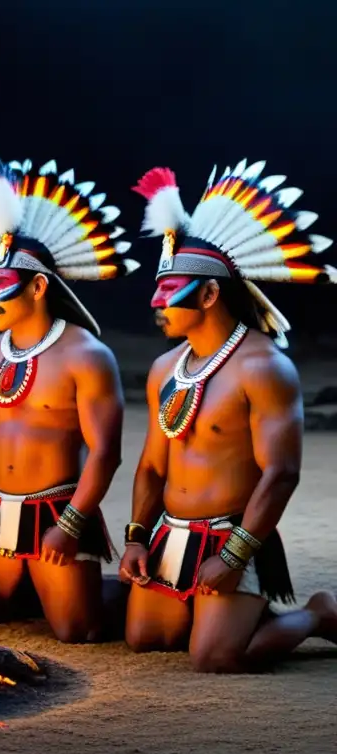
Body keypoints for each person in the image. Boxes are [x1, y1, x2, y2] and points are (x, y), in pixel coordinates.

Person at [123, 160, 337, 671]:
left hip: (235, 534)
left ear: (211, 293)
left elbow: (281, 472)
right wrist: (136, 537)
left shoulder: (264, 368)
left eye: (167, 289)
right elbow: (153, 467)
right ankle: (220, 612)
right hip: (171, 531)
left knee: (214, 658)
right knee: (145, 640)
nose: (156, 302)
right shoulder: (162, 368)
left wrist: (235, 556)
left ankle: (315, 614)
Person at [0, 154, 138, 642]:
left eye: (1, 285)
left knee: (78, 630)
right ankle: (38, 586)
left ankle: (133, 592)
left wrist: (71, 525)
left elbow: (106, 452)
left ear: (37, 286)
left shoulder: (86, 356)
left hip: (58, 511)